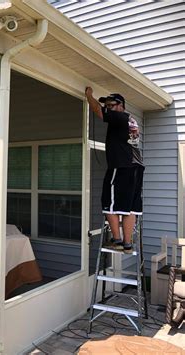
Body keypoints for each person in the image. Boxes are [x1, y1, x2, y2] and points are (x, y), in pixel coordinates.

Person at [85, 87, 145, 253]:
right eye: (108, 105)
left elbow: (98, 110)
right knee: (129, 208)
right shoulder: (131, 121)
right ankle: (127, 245)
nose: (109, 108)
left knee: (107, 202)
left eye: (111, 105)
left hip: (122, 166)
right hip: (136, 167)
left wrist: (89, 96)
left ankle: (117, 241)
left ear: (120, 105)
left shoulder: (120, 117)